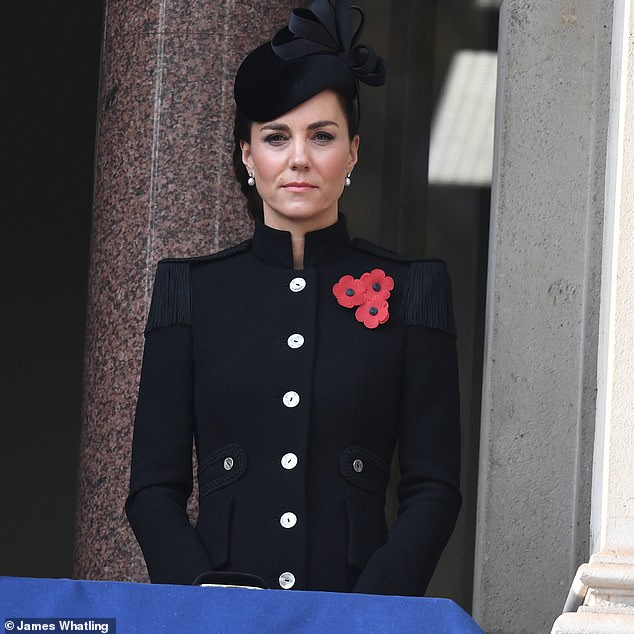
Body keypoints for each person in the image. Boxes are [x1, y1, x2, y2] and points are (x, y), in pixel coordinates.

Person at [125, 0, 461, 596]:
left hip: (355, 607)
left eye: (322, 136)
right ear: (247, 155)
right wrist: (205, 598)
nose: (299, 158)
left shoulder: (415, 292)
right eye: (276, 137)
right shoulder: (192, 292)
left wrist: (369, 613)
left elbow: (433, 488)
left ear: (352, 152)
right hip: (221, 610)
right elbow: (154, 489)